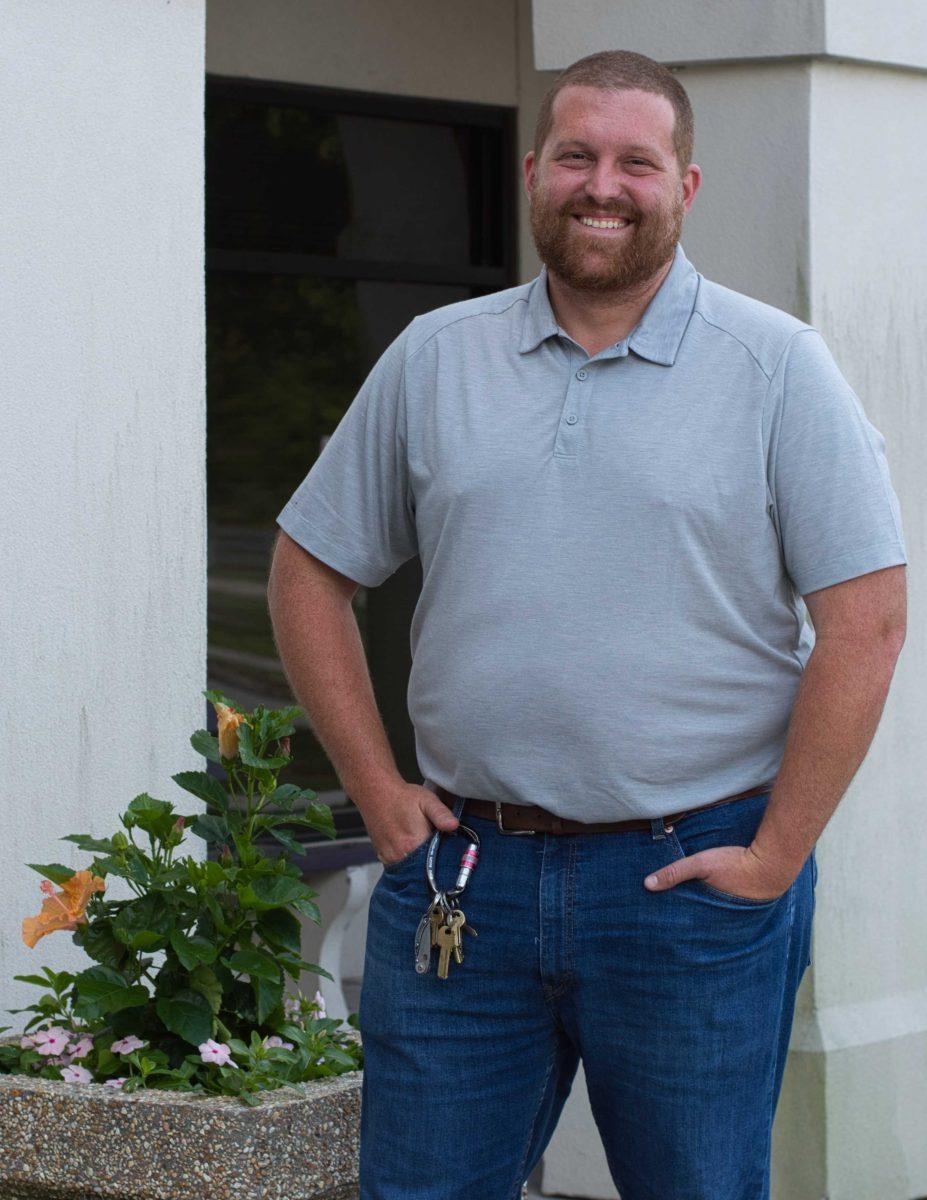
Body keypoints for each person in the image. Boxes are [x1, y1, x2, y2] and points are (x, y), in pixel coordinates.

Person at [267, 48, 907, 1200]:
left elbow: (867, 622)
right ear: (533, 172)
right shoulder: (435, 359)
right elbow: (308, 572)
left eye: (635, 161)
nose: (600, 184)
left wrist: (775, 856)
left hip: (689, 891)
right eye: (576, 155)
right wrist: (374, 791)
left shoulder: (777, 369)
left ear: (685, 187)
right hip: (463, 876)